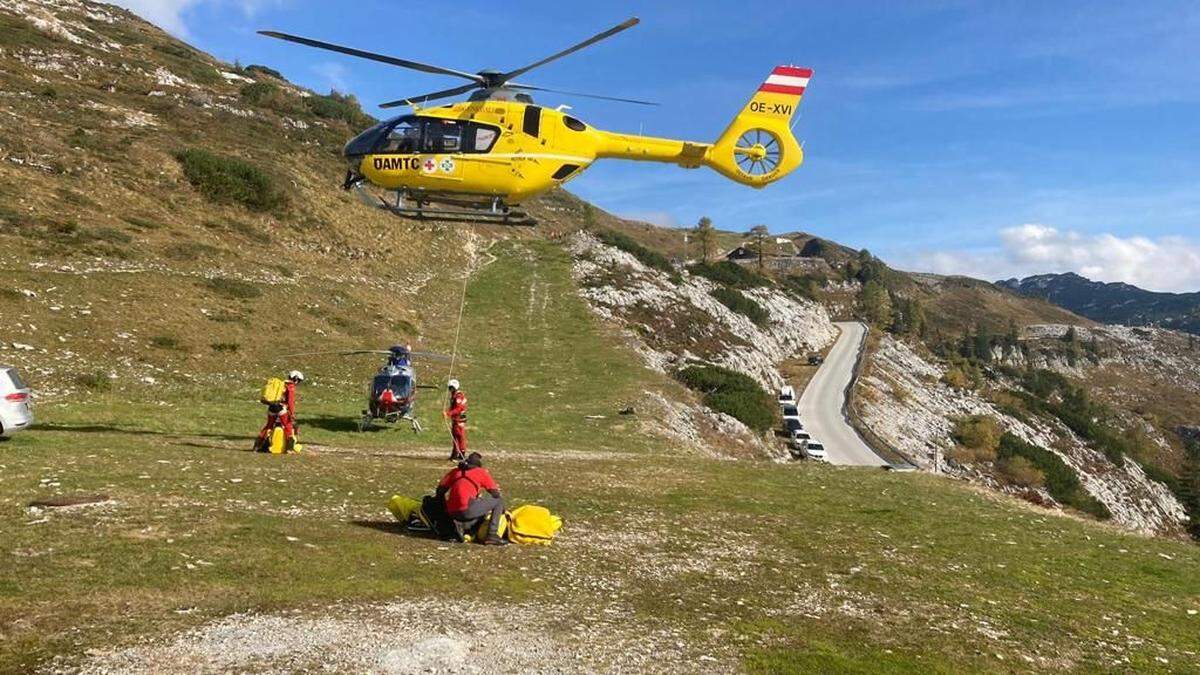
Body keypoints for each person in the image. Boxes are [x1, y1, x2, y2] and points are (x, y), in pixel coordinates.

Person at [436, 452, 506, 545]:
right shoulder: (480, 472)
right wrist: (502, 510)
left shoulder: (455, 471)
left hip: (452, 512)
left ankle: (455, 527)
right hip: (467, 509)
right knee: (498, 502)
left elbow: (440, 492)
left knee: (475, 503)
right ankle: (492, 535)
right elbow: (495, 494)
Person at [443, 378, 467, 461]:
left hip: (459, 420)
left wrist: (448, 413)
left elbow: (458, 408)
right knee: (455, 436)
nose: (450, 390)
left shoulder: (458, 396)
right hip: (455, 419)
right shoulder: (455, 396)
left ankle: (460, 454)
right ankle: (455, 453)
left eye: (451, 388)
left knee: (459, 436)